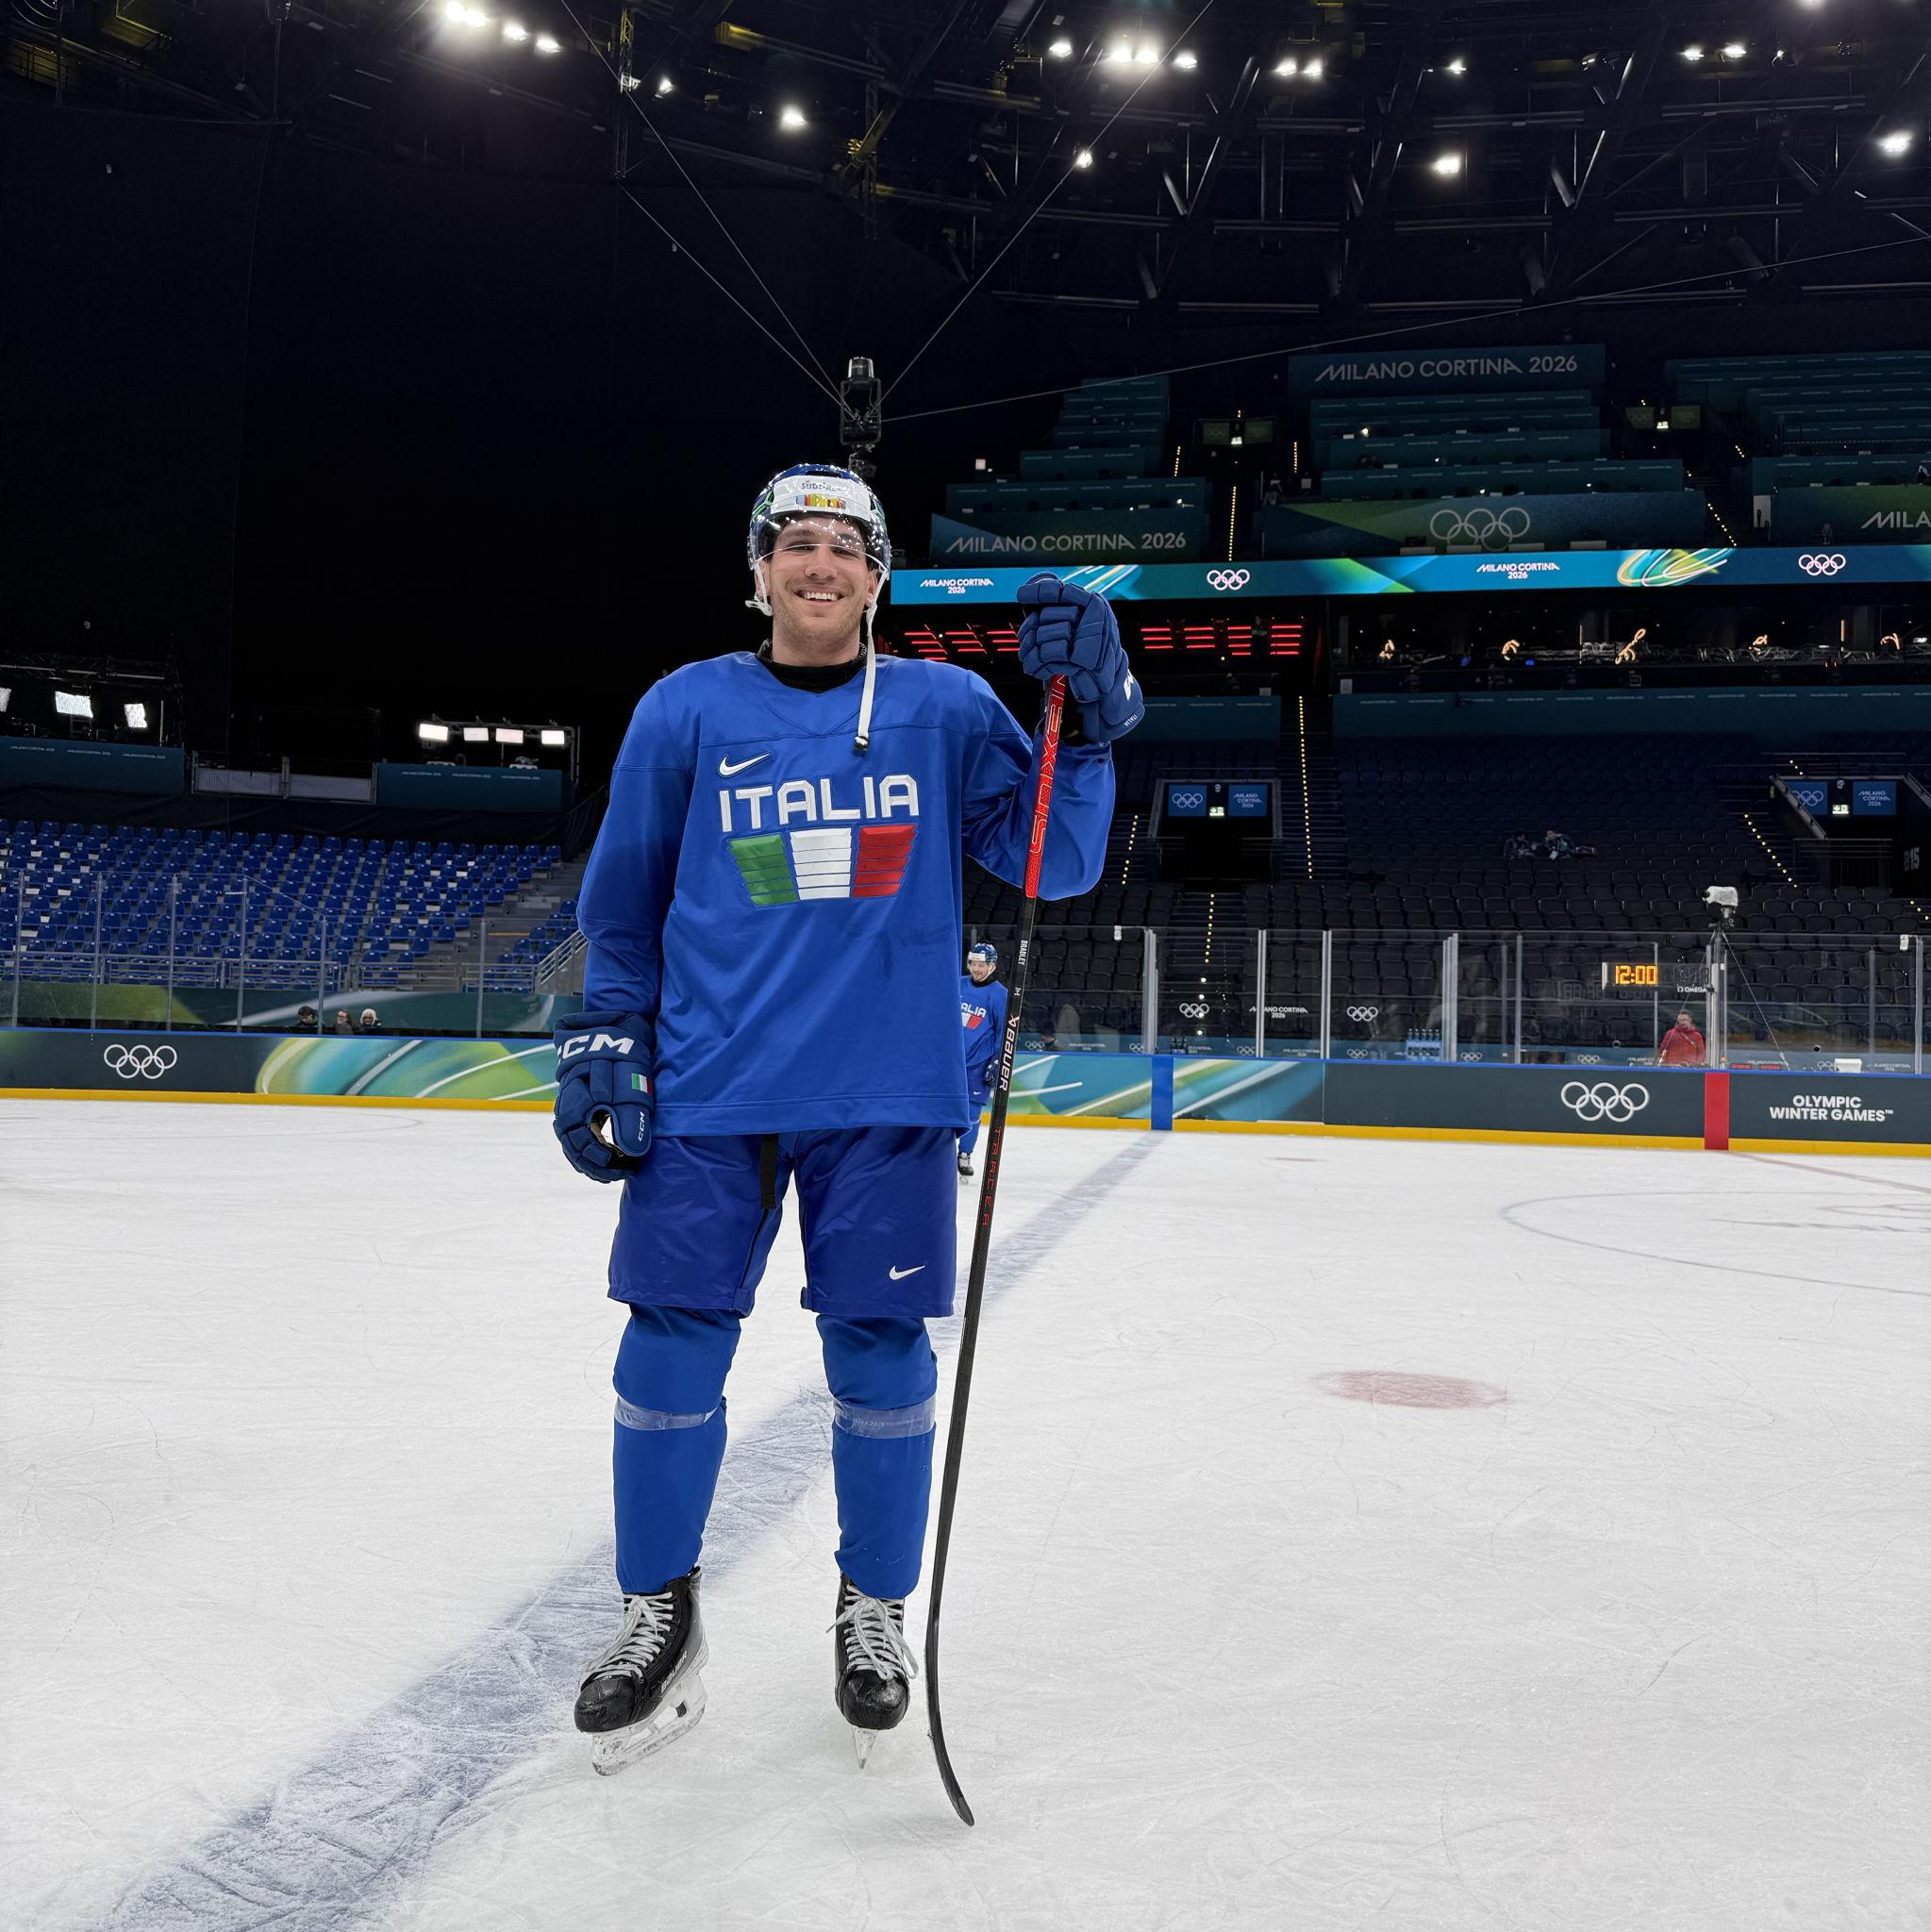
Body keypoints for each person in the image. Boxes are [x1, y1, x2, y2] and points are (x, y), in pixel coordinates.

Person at [552, 462, 1140, 1776]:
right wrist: (605, 1029)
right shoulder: (683, 707)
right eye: (793, 543)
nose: (817, 563)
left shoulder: (942, 707)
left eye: (844, 545)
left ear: (879, 574)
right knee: (663, 1358)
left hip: (882, 1096)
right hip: (710, 1090)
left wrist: (1090, 721)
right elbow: (625, 897)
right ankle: (660, 1610)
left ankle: (871, 1612)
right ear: (756, 566)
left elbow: (1051, 858)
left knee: (878, 1360)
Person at [955, 941, 1007, 1179]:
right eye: (973, 964)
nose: (976, 969)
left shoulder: (999, 994)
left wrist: (998, 1060)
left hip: (979, 1063)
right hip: (953, 1062)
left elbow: (1004, 1031)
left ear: (992, 966)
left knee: (971, 1113)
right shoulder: (959, 984)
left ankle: (964, 1154)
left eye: (981, 965)